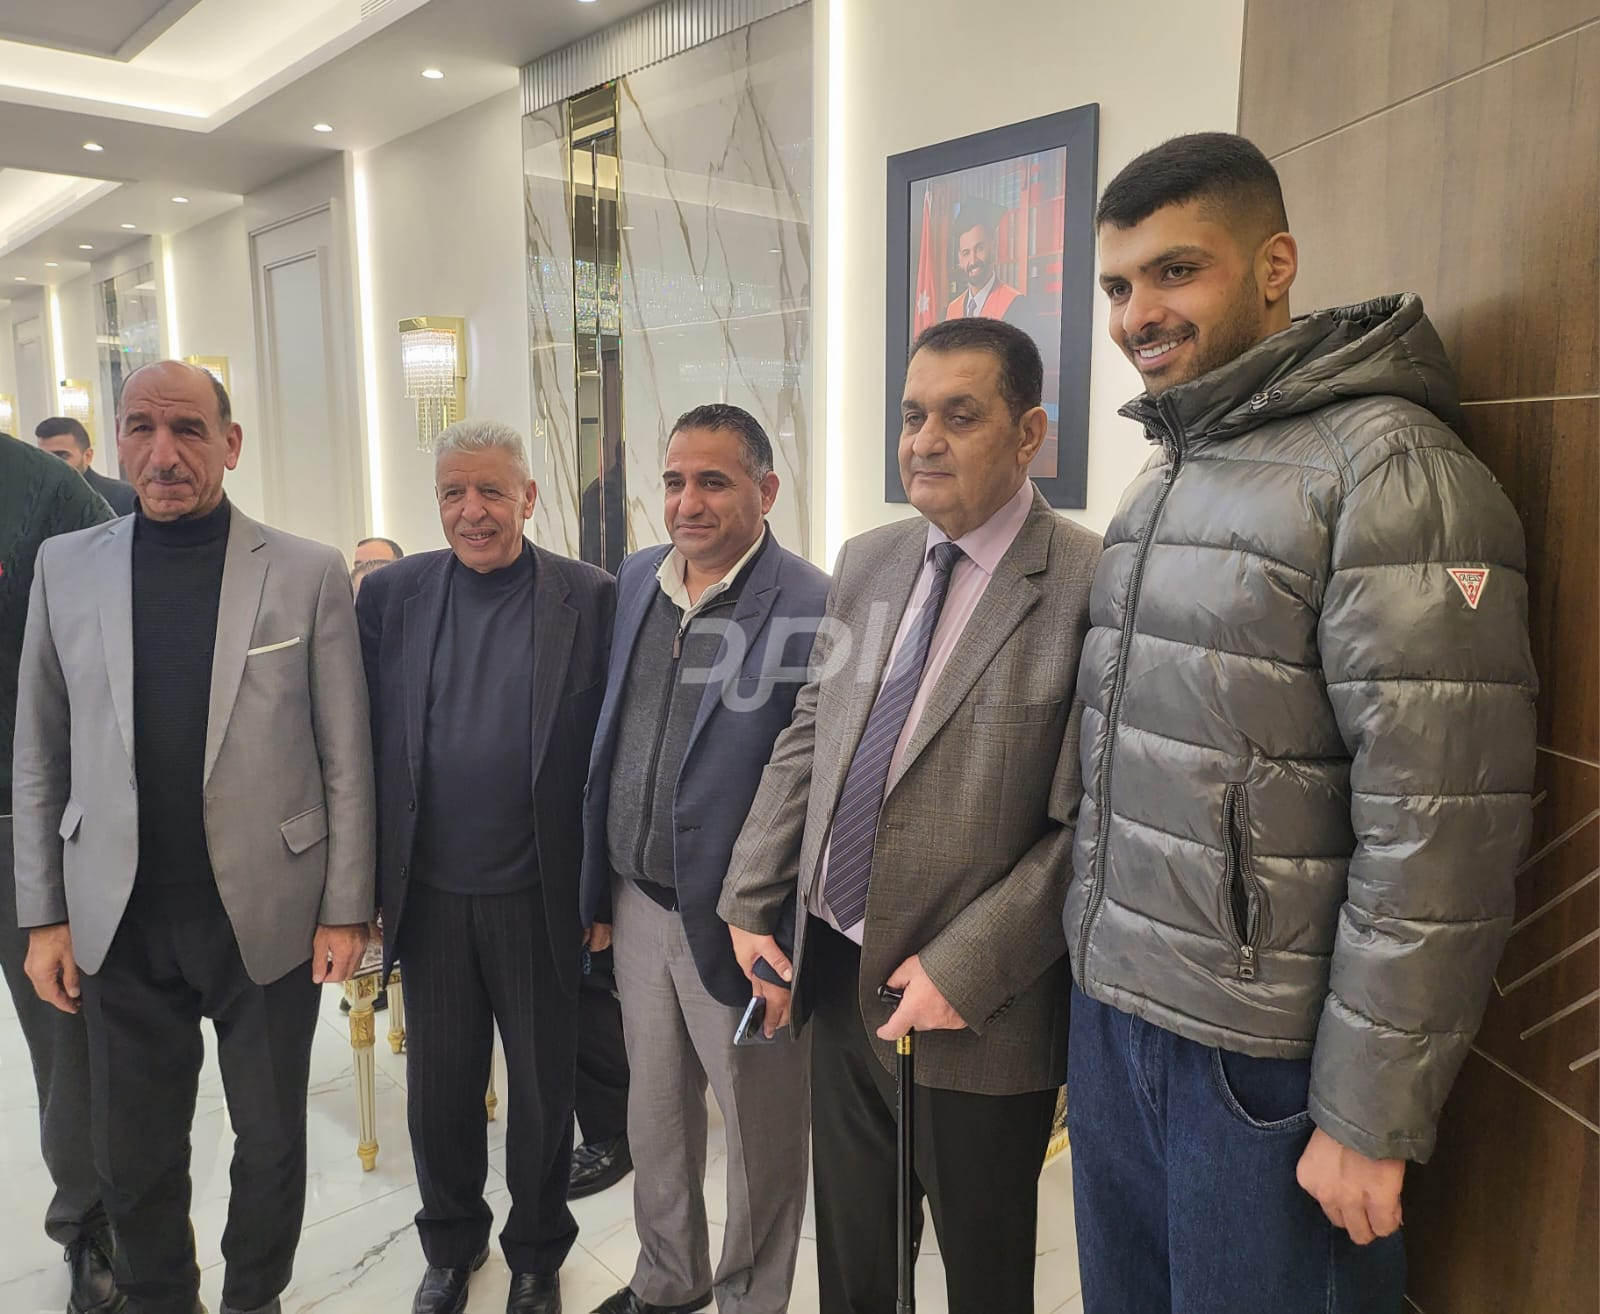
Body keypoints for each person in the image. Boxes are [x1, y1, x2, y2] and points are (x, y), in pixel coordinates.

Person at [1066, 132, 1538, 1314]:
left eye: (1177, 271)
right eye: (1117, 286)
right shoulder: (1166, 472)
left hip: (1262, 1060)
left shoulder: (1389, 472)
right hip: (1120, 1019)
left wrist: (1369, 1112)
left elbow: (1440, 824)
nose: (1137, 314)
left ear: (1275, 265)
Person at [719, 318, 1100, 1314]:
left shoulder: (1088, 583)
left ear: (1029, 434)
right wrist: (752, 894)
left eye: (959, 417)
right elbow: (812, 730)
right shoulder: (871, 559)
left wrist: (963, 968)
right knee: (855, 1266)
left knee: (984, 1278)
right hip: (838, 976)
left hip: (977, 1007)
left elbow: (1090, 828)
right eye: (911, 415)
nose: (923, 441)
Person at [12, 360, 377, 1314]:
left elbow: (346, 754)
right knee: (133, 1151)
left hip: (268, 910)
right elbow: (40, 754)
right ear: (118, 440)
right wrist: (43, 917)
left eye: (188, 430)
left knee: (271, 1141)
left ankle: (255, 1297)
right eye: (141, 428)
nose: (163, 453)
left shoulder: (305, 570)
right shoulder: (65, 566)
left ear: (231, 443)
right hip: (119, 917)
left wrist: (346, 907)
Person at [356, 418, 615, 1314]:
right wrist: (365, 888)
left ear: (528, 497)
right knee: (440, 1091)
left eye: (492, 491)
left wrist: (599, 892)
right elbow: (364, 745)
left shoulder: (590, 597)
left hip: (539, 897)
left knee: (543, 1094)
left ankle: (537, 1254)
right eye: (453, 493)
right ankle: (451, 1242)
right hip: (428, 896)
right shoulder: (392, 595)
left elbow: (606, 754)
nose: (473, 510)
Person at [580, 403, 828, 1314]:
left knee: (760, 1131)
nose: (688, 502)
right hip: (638, 900)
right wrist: (595, 889)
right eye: (675, 480)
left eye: (714, 482)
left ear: (766, 490)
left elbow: (818, 786)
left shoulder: (813, 604)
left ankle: (750, 1299)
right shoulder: (636, 578)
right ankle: (667, 1281)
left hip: (742, 921)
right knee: (656, 1113)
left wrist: (784, 933)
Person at [0, 432, 118, 1314]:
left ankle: (92, 1226)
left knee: (65, 1040)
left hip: (22, 821)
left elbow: (109, 660)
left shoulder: (45, 494)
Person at [35, 416, 139, 516]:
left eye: (62, 456)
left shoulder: (124, 498)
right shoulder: (34, 503)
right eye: (43, 457)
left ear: (88, 456)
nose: (51, 463)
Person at [943, 202, 1024, 324]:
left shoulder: (1016, 305)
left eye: (979, 248)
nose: (973, 260)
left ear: (993, 247)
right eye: (966, 253)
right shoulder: (953, 310)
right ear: (960, 259)